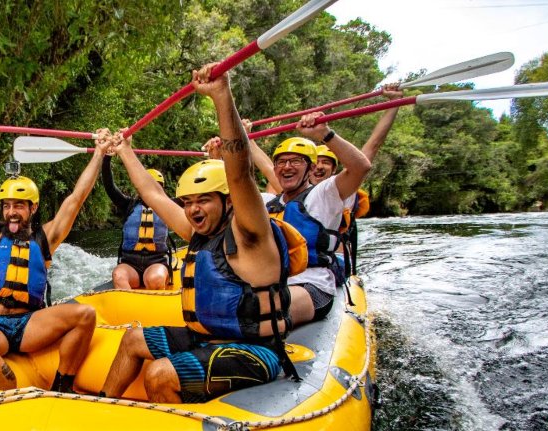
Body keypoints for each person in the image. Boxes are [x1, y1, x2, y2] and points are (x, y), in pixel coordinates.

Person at [98, 64, 307, 404]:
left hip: (254, 350)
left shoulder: (250, 232)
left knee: (159, 372)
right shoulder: (197, 231)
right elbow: (153, 194)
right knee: (134, 339)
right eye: (189, 202)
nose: (194, 210)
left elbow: (241, 175)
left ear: (227, 202)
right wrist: (124, 151)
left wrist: (222, 97)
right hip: (205, 338)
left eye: (204, 201)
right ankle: (102, 407)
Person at [0, 118, 111, 392]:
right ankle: (14, 399)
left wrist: (99, 152)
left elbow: (77, 197)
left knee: (85, 314)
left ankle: (62, 386)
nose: (11, 212)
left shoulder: (45, 237)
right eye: (7, 206)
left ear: (33, 207)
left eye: (19, 206)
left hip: (29, 325)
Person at [266, 112, 371, 327]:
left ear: (312, 168)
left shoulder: (324, 194)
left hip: (312, 286)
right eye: (281, 162)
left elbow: (361, 167)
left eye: (295, 161)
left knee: (252, 311)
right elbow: (235, 185)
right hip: (273, 284)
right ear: (275, 169)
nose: (287, 167)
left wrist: (325, 134)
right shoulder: (268, 202)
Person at [309, 84, 404, 275]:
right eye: (316, 162)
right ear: (308, 167)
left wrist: (394, 103)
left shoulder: (345, 186)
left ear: (334, 168)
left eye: (326, 162)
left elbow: (372, 147)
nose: (319, 166)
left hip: (335, 260)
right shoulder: (295, 191)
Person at [102, 156, 173, 289]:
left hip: (156, 262)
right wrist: (107, 158)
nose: (151, 190)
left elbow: (194, 197)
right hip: (130, 264)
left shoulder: (169, 206)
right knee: (119, 276)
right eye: (147, 186)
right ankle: (127, 308)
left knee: (155, 279)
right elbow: (109, 186)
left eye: (156, 186)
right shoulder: (128, 205)